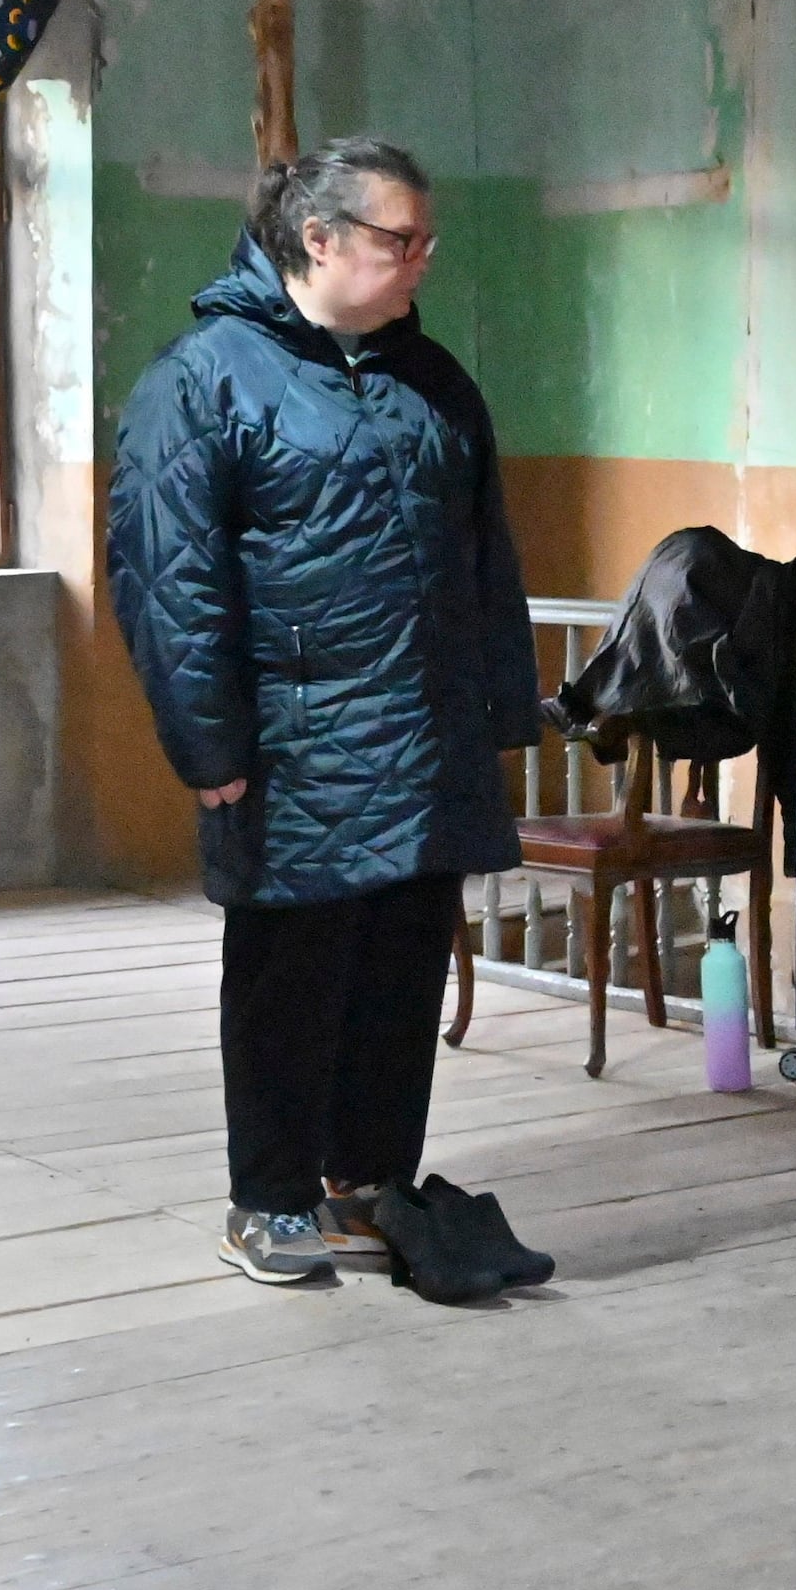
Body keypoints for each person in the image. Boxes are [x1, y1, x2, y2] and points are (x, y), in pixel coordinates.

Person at [110, 139, 540, 1294]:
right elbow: (169, 580)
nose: (420, 262)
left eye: (424, 241)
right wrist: (208, 745)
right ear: (319, 240)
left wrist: (501, 710)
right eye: (401, 240)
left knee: (402, 974)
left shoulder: (431, 379)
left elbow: (483, 555)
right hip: (291, 751)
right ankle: (270, 1202)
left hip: (425, 739)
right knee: (288, 980)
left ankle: (367, 1183)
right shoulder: (202, 379)